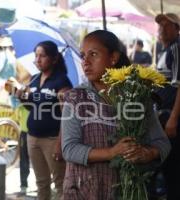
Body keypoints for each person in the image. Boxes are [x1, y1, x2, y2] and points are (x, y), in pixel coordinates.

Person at [61, 30, 171, 200]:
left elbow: (163, 143)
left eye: (94, 54)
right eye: (83, 56)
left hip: (127, 191)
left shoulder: (137, 97)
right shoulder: (76, 98)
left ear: (113, 57)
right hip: (83, 190)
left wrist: (147, 153)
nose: (86, 62)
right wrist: (112, 152)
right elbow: (69, 149)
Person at [14, 40, 72, 200]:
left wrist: (60, 144)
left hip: (53, 139)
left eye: (43, 56)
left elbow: (68, 116)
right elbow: (32, 107)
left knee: (60, 184)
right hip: (33, 138)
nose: (38, 60)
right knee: (41, 183)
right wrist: (21, 98)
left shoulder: (62, 81)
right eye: (36, 55)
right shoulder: (34, 79)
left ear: (54, 59)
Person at [154, 13, 180, 200]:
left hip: (172, 116)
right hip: (163, 114)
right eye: (160, 25)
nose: (162, 28)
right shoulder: (165, 50)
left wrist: (173, 118)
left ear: (177, 29)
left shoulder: (177, 48)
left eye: (167, 25)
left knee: (173, 166)